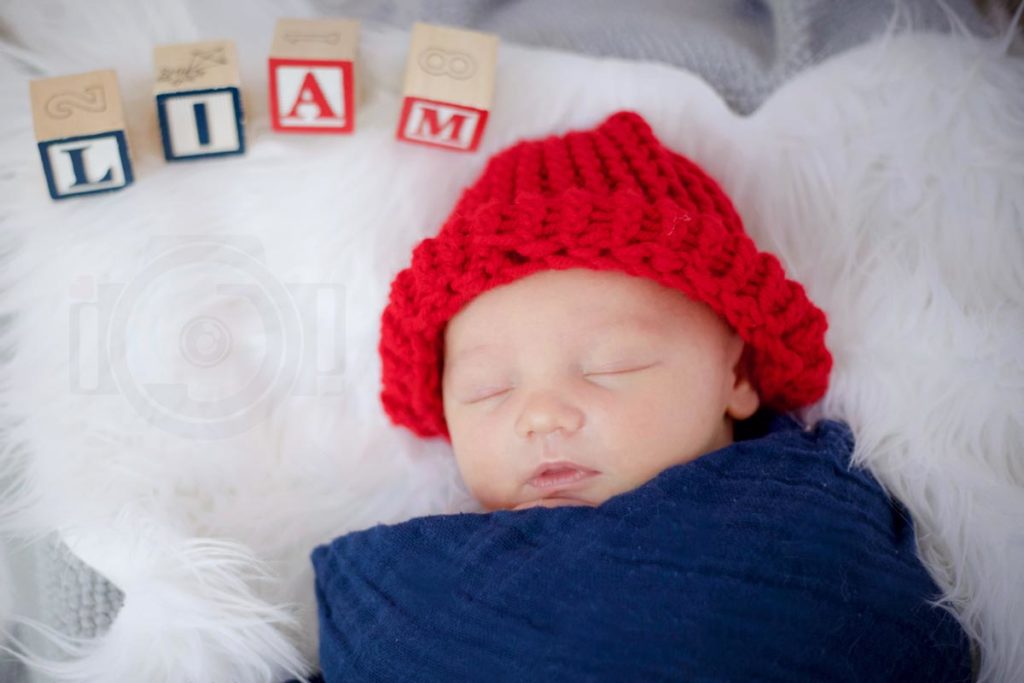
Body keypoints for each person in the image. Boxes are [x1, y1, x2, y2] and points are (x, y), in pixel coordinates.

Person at [304, 111, 972, 682]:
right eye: (489, 389)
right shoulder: (419, 587)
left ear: (736, 377)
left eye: (610, 367)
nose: (539, 414)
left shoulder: (806, 523)